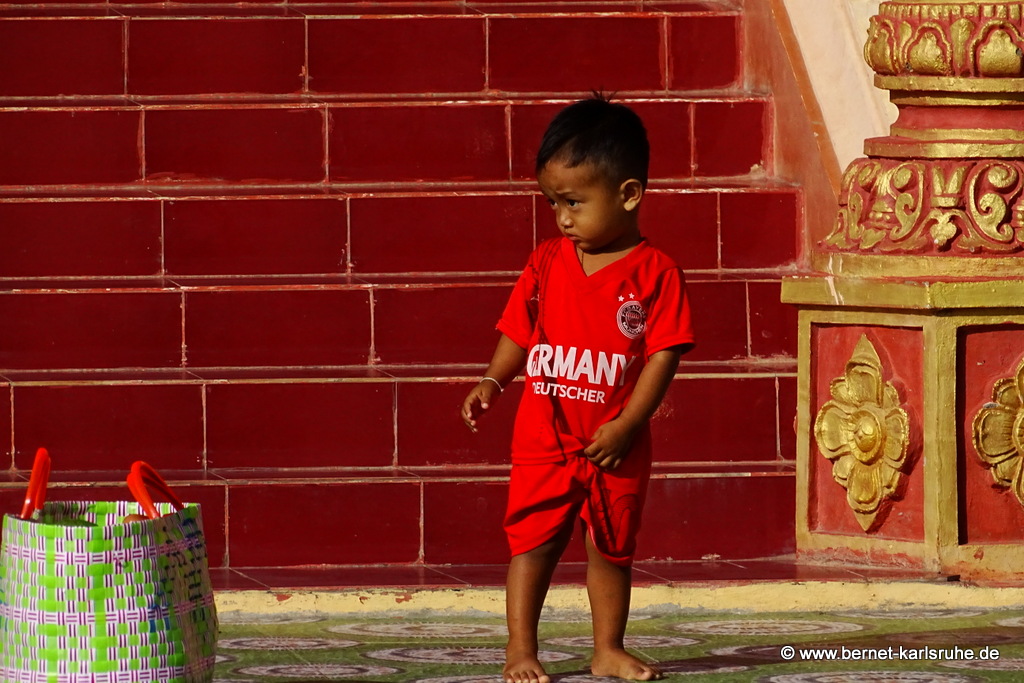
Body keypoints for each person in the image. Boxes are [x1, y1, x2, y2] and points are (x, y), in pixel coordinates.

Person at [460, 95, 695, 683]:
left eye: (574, 202)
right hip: (544, 438)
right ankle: (520, 650)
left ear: (629, 194)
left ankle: (607, 648)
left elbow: (662, 356)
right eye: (553, 203)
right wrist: (492, 380)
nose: (562, 218)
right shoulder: (545, 263)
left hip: (614, 441)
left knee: (611, 550)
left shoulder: (656, 273)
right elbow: (519, 331)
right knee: (531, 544)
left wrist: (628, 425)